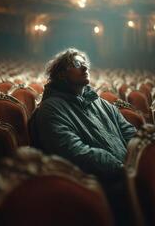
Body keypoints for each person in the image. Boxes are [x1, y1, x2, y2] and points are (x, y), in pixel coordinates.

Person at [29, 48, 137, 225]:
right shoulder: (50, 108)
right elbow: (73, 151)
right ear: (62, 74)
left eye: (85, 64)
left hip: (127, 175)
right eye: (78, 64)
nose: (85, 68)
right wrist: (121, 168)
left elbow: (129, 133)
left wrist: (137, 163)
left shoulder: (100, 102)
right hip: (98, 186)